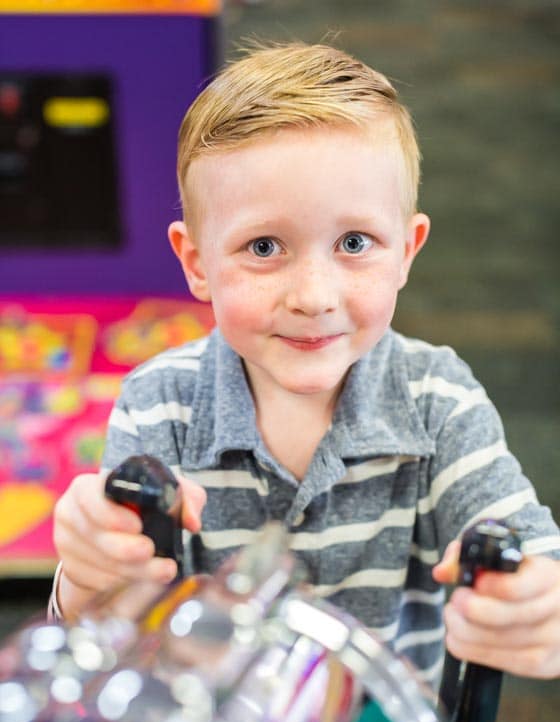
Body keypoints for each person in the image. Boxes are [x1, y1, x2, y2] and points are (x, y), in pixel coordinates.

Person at [51, 42, 560, 687]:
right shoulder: (159, 404)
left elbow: (526, 547)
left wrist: (537, 603)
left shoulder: (439, 400)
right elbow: (112, 626)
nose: (314, 297)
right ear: (197, 263)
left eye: (354, 243)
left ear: (407, 249)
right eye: (264, 247)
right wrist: (87, 573)